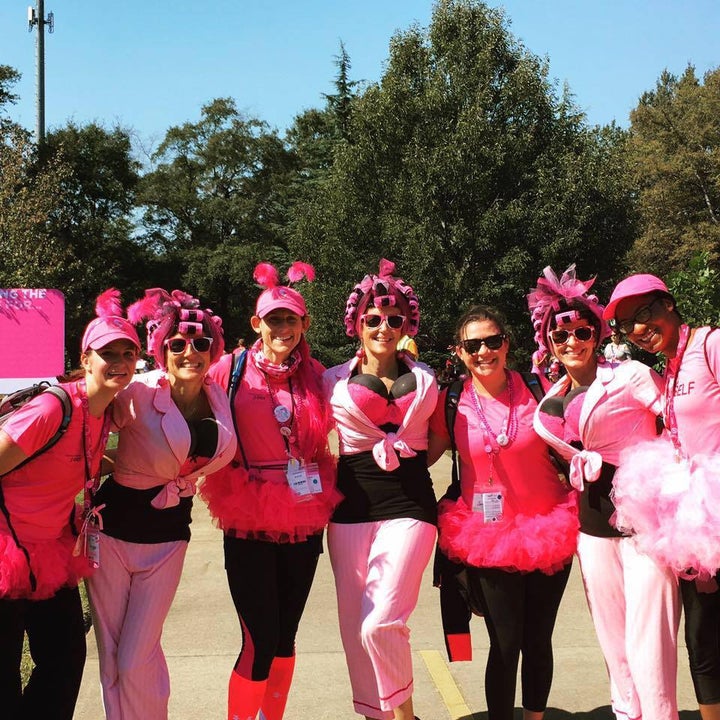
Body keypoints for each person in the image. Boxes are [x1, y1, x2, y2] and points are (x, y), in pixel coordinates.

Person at [529, 265, 680, 720]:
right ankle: (625, 713)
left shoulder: (630, 374)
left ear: (595, 333)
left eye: (579, 331)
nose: (571, 341)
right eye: (561, 336)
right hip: (591, 530)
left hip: (644, 525)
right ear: (549, 344)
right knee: (612, 638)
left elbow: (677, 423)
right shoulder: (549, 399)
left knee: (648, 637)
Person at [85, 289, 236, 720]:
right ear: (161, 349)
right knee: (113, 655)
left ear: (213, 349)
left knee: (138, 654)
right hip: (112, 534)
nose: (190, 352)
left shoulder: (219, 398)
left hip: (168, 539)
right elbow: (89, 420)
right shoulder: (135, 392)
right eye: (178, 344)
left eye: (201, 343)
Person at [199, 261, 340, 720]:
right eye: (273, 319)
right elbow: (186, 403)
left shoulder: (316, 374)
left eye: (291, 319)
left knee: (285, 638)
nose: (283, 327)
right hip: (249, 514)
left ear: (304, 324)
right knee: (258, 637)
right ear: (257, 323)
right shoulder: (229, 369)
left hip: (303, 514)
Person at [428, 304, 577, 720]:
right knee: (505, 641)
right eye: (473, 345)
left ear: (507, 344)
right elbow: (421, 456)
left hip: (550, 527)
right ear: (459, 352)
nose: (484, 352)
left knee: (538, 638)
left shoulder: (540, 386)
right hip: (489, 536)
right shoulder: (450, 400)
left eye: (493, 341)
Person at [0, 289, 140, 720]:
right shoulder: (51, 408)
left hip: (49, 552)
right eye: (107, 353)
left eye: (127, 352)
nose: (118, 361)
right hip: (5, 550)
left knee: (64, 660)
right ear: (85, 359)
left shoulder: (105, 413)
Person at [323, 259, 438, 720]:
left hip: (410, 505)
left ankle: (406, 717)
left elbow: (445, 438)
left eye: (394, 320)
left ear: (407, 323)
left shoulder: (428, 379)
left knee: (381, 622)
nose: (384, 327)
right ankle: (378, 714)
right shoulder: (330, 378)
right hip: (349, 511)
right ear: (357, 323)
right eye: (373, 319)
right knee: (356, 629)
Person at [603, 273, 720, 720]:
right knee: (702, 638)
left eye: (645, 313)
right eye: (627, 324)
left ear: (669, 303)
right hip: (691, 521)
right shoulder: (668, 368)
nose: (637, 329)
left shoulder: (710, 345)